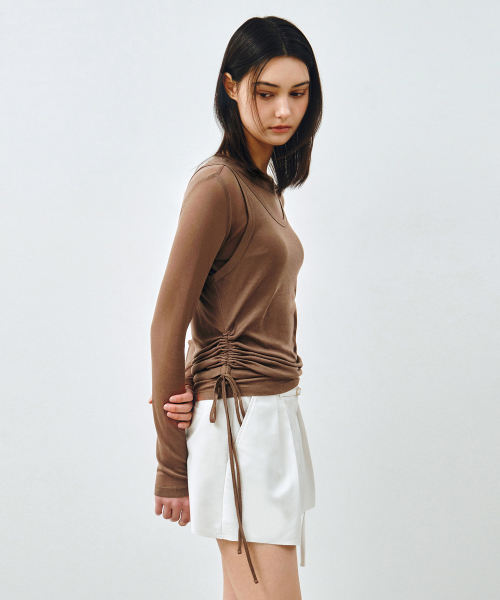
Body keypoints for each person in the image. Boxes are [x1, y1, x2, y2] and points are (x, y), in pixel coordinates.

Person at [149, 15, 322, 599]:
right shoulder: (217, 185)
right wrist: (170, 464)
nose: (283, 110)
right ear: (231, 87)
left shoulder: (263, 185)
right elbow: (168, 320)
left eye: (298, 93)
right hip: (239, 420)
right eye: (265, 93)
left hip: (270, 411)